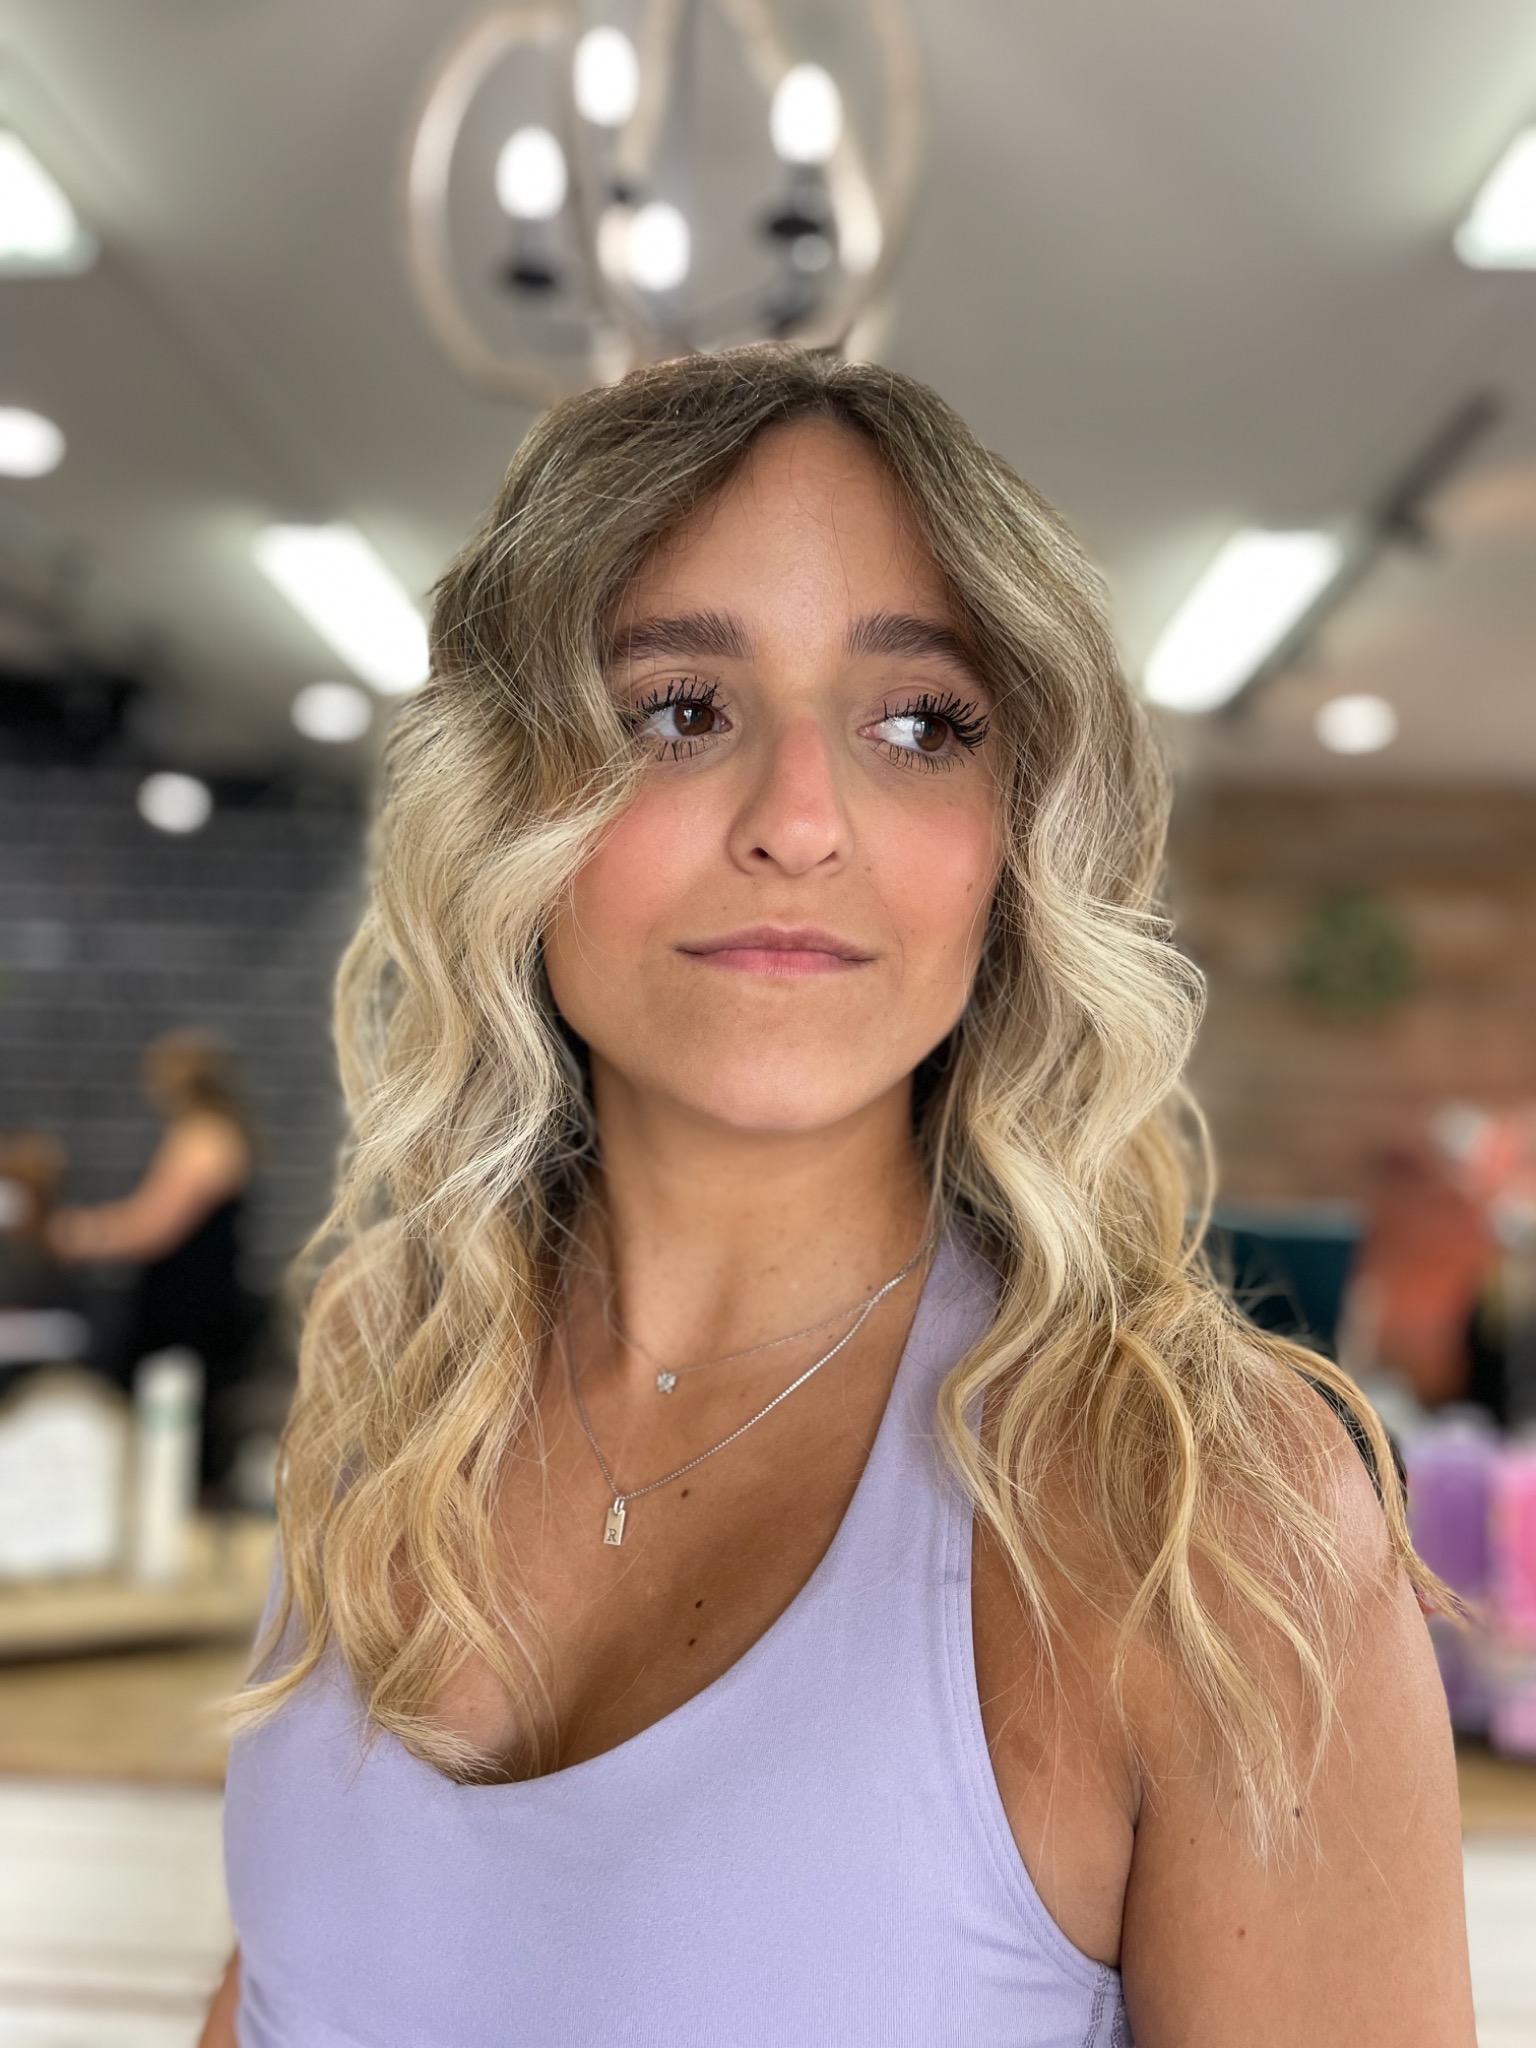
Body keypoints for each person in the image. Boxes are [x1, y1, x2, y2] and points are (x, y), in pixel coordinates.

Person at [205, 346, 1474, 2048]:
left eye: (919, 723)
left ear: (1014, 840)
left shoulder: (1203, 1518)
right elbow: (293, 1989)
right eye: (677, 708)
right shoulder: (392, 1362)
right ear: (503, 799)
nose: (801, 822)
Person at [50, 1029, 261, 1487]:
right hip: (191, 1301)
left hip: (188, 1307)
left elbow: (153, 1227)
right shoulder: (212, 1133)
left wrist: (80, 1234)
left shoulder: (204, 1140)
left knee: (177, 1422)